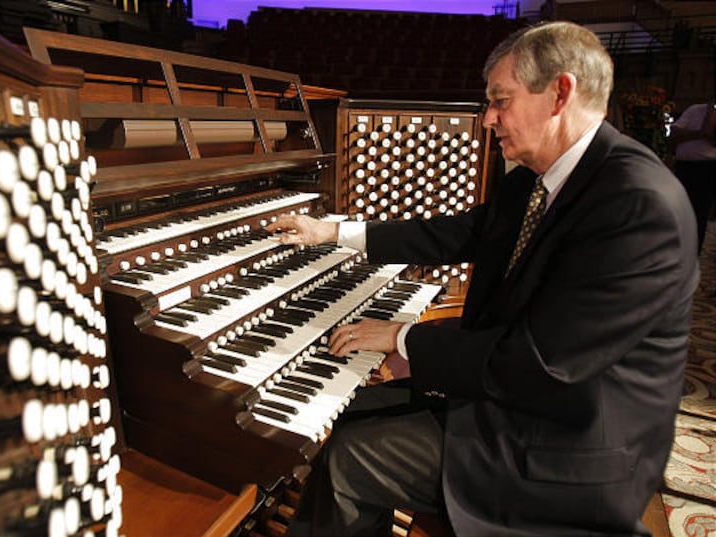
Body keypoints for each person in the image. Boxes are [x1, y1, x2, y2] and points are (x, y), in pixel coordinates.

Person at [266, 21, 699, 537]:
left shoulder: (637, 204)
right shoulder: (541, 180)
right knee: (344, 406)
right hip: (524, 401)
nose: (488, 118)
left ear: (560, 93)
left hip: (570, 445)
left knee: (351, 459)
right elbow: (455, 234)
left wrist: (406, 338)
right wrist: (332, 231)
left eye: (500, 101)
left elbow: (543, 364)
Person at [669, 98, 716, 253]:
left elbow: (711, 136)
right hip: (685, 165)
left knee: (699, 213)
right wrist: (699, 133)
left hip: (707, 167)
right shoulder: (695, 110)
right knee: (678, 209)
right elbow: (674, 134)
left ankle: (692, 252)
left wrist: (710, 119)